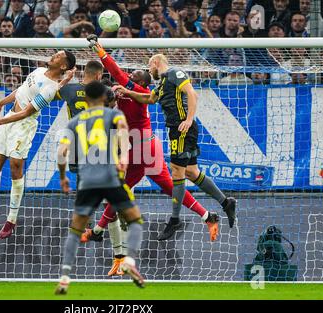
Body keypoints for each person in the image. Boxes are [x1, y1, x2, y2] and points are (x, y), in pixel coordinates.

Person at [84, 36, 221, 275]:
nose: (132, 75)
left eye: (136, 74)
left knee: (140, 189)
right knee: (145, 188)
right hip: (140, 149)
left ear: (142, 82)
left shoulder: (136, 90)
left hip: (144, 150)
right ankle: (207, 215)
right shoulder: (129, 93)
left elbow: (117, 74)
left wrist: (101, 51)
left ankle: (98, 231)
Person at [0, 50, 76, 240]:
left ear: (63, 66)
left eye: (58, 56)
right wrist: (1, 103)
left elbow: (27, 113)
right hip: (9, 116)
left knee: (15, 169)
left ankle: (11, 220)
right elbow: (21, 91)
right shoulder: (38, 71)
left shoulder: (50, 88)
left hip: (23, 127)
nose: (53, 56)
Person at [114, 53, 237, 240]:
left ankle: (174, 220)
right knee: (191, 172)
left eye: (149, 67)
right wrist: (127, 92)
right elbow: (149, 99)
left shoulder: (174, 73)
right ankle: (226, 202)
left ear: (156, 62)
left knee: (177, 173)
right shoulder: (162, 83)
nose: (149, 71)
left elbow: (192, 94)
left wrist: (188, 120)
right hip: (178, 129)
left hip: (181, 128)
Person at [55, 80, 145, 295]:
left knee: (75, 230)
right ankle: (129, 261)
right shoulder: (115, 116)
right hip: (112, 177)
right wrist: (123, 157)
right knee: (135, 221)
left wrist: (62, 177)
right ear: (106, 99)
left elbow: (61, 152)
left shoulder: (76, 120)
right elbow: (124, 138)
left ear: (86, 99)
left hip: (87, 181)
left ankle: (65, 277)